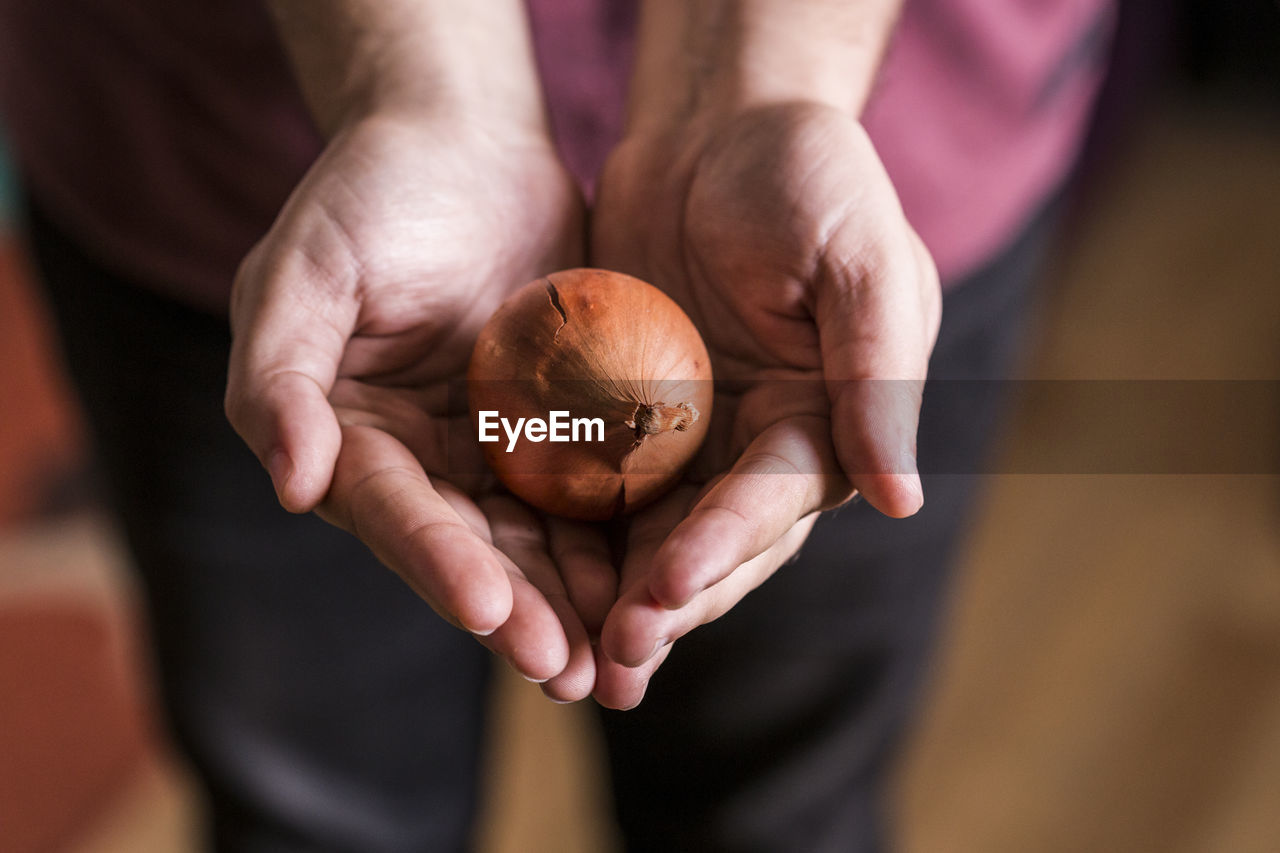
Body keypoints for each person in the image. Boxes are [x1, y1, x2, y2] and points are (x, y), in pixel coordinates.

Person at [0, 0, 1113, 849]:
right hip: (255, 178)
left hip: (854, 180)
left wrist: (760, 88)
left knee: (782, 808)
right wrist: (425, 92)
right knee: (311, 811)